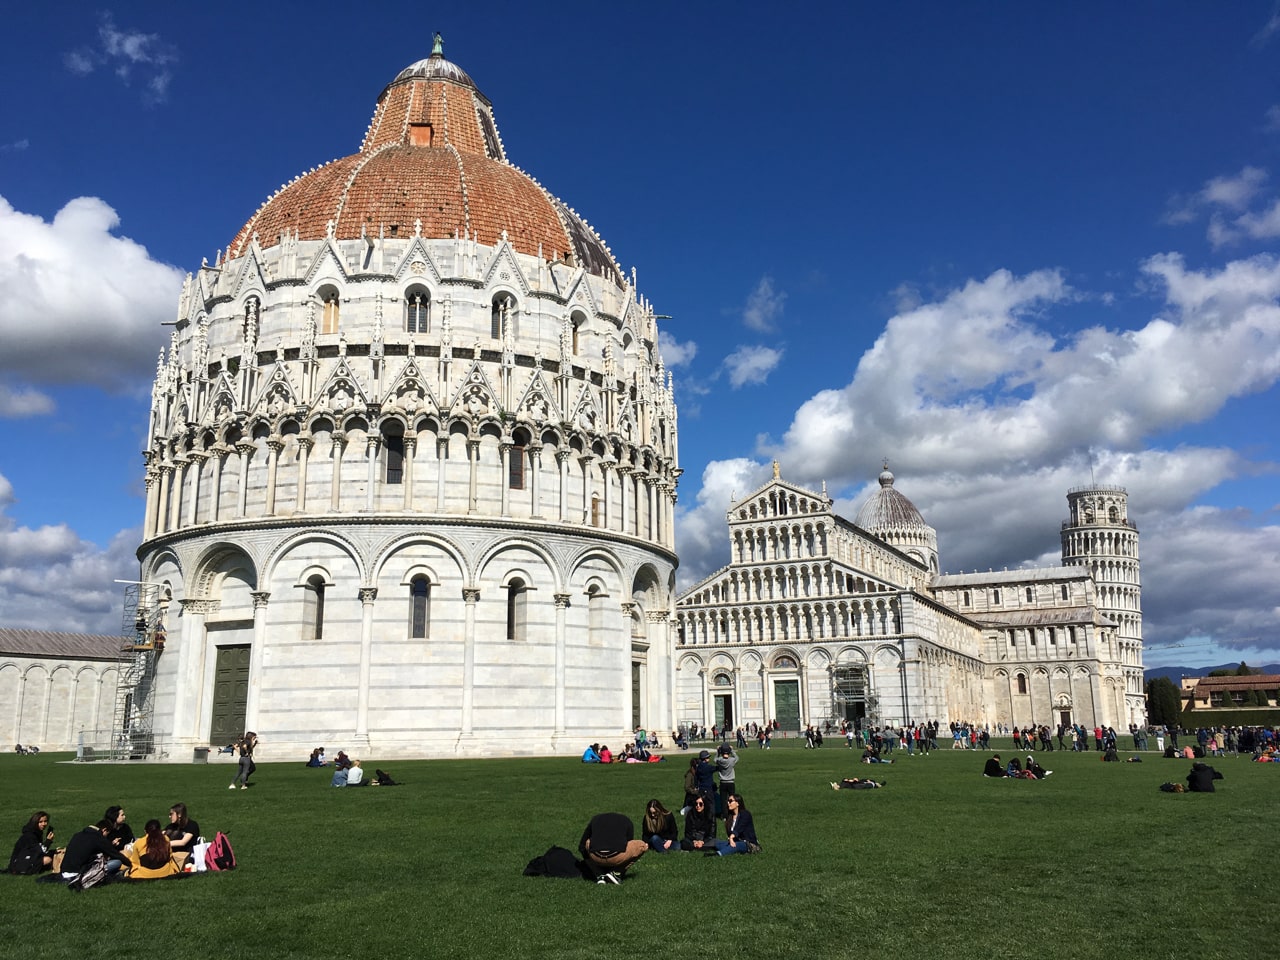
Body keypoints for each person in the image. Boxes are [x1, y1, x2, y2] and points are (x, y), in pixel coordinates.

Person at [578, 812, 646, 884]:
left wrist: (592, 866)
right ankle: (616, 873)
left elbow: (581, 846)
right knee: (642, 845)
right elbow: (628, 843)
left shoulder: (595, 819)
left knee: (588, 842)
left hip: (595, 856)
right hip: (616, 856)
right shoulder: (627, 821)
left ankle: (599, 874)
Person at [60, 819, 126, 881]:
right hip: (79, 874)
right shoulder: (97, 838)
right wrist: (130, 864)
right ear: (104, 830)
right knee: (117, 862)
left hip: (64, 872)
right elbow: (115, 854)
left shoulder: (77, 835)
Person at [715, 743, 739, 813]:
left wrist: (718, 751)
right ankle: (732, 811)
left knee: (723, 799)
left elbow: (715, 759)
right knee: (732, 798)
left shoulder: (720, 760)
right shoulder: (731, 760)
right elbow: (737, 757)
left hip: (723, 782)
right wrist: (732, 750)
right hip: (731, 782)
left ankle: (724, 814)